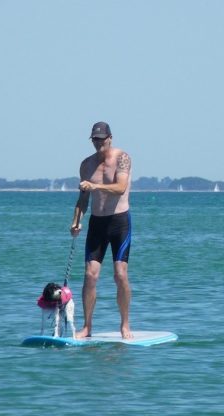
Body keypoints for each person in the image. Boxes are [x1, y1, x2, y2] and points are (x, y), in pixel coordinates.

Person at [70, 121, 133, 339]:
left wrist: (95, 186)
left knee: (120, 274)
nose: (98, 144)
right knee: (90, 275)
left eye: (102, 139)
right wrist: (76, 220)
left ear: (110, 138)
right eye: (95, 140)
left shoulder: (122, 158)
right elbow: (83, 198)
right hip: (97, 223)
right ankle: (87, 327)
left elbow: (120, 187)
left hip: (119, 222)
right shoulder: (86, 165)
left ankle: (125, 325)